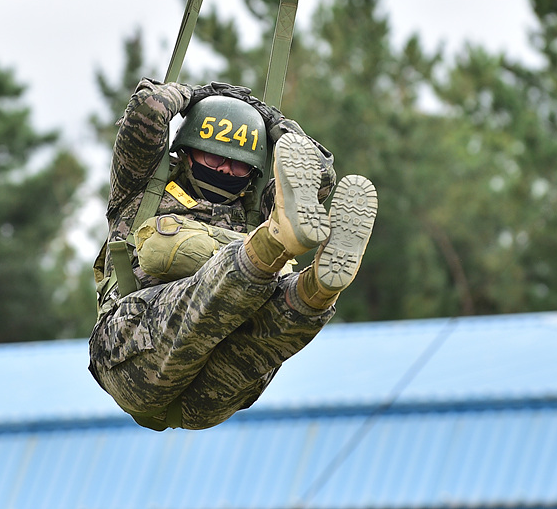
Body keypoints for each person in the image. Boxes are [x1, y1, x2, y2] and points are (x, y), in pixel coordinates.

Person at [88, 78, 378, 430]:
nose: (226, 169)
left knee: (275, 318)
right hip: (136, 358)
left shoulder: (252, 205)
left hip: (214, 396)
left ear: (254, 170)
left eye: (239, 164)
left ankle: (317, 287)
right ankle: (273, 244)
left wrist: (272, 122)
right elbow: (147, 111)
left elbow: (319, 175)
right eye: (214, 155)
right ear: (188, 150)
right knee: (222, 281)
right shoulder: (143, 189)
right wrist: (195, 95)